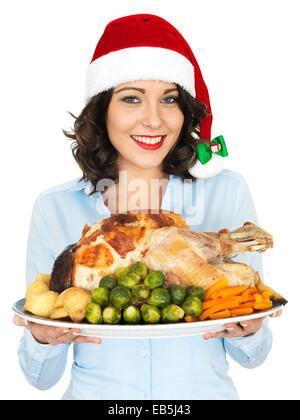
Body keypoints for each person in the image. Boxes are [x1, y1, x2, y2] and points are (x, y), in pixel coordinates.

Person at [14, 13, 279, 400]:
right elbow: (40, 379)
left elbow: (253, 355)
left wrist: (250, 330)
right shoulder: (55, 207)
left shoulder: (226, 191)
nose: (153, 120)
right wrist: (42, 337)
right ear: (102, 109)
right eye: (131, 98)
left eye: (169, 99)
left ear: (185, 110)